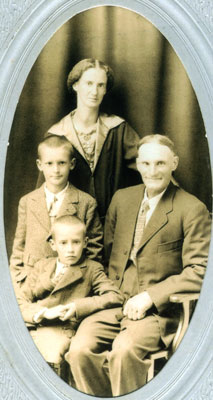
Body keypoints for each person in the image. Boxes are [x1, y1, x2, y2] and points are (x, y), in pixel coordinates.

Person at [65, 134, 211, 397]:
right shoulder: (123, 199)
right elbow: (105, 256)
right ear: (138, 164)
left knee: (123, 351)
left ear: (174, 163)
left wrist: (150, 297)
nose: (152, 171)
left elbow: (200, 271)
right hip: (115, 302)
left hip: (157, 313)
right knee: (79, 350)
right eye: (145, 164)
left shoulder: (192, 209)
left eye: (160, 164)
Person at [17, 215, 124, 373]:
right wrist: (44, 313)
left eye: (76, 242)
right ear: (53, 244)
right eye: (63, 243)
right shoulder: (41, 266)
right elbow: (19, 301)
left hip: (62, 330)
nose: (70, 249)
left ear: (85, 243)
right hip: (34, 324)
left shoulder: (92, 269)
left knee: (50, 352)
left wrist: (77, 307)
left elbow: (115, 296)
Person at [40, 58, 141, 222]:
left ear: (105, 90)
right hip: (69, 227)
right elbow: (44, 189)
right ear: (75, 85)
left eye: (100, 85)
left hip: (111, 223)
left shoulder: (118, 129)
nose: (94, 91)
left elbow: (149, 161)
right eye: (88, 83)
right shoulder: (57, 133)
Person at [10, 135, 103, 292]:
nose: (56, 170)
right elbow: (19, 246)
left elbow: (94, 250)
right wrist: (19, 279)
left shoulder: (86, 203)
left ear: (71, 164)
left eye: (61, 163)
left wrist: (81, 283)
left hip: (70, 284)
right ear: (40, 165)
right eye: (49, 163)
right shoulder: (27, 201)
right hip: (32, 281)